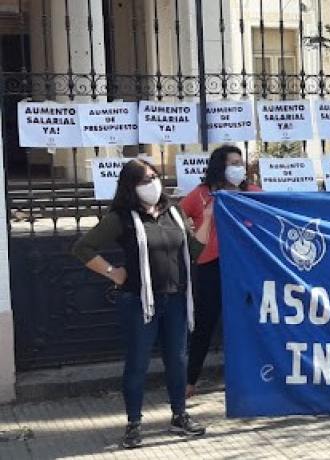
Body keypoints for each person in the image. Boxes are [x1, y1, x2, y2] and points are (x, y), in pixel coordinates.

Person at [72, 159, 209, 449]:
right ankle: (133, 423)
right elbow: (83, 248)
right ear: (130, 186)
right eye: (145, 180)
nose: (153, 184)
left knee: (178, 360)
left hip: (175, 299)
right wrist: (113, 272)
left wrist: (208, 219)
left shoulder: (173, 212)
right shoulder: (121, 218)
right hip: (140, 301)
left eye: (155, 177)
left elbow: (193, 251)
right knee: (137, 362)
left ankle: (179, 416)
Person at [180, 145, 261, 397]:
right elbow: (177, 217)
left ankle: (249, 378)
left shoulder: (252, 192)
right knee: (205, 324)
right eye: (233, 163)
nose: (239, 168)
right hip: (211, 265)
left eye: (240, 163)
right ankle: (189, 381)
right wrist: (194, 232)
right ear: (220, 166)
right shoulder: (202, 194)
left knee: (247, 322)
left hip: (245, 265)